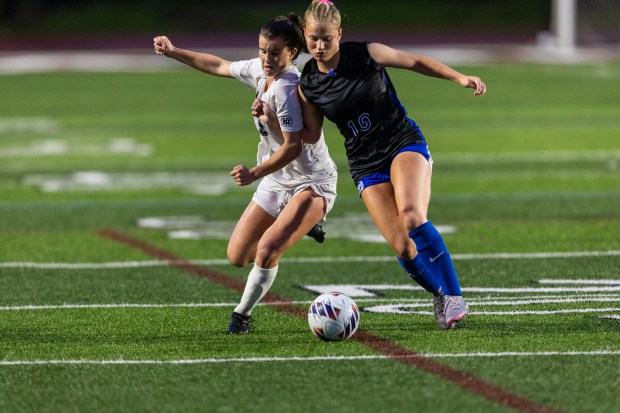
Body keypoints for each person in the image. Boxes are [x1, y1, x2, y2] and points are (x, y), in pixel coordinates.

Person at [298, 0, 486, 329]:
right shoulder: (308, 83)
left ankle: (454, 296)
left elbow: (414, 62)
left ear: (339, 34)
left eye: (327, 38)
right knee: (402, 245)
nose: (319, 45)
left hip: (402, 142)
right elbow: (310, 136)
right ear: (305, 35)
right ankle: (440, 295)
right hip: (365, 164)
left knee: (413, 215)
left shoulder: (366, 53)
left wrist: (459, 77)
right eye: (313, 38)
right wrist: (271, 115)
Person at [153, 13, 338, 334]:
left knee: (267, 251)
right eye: (263, 50)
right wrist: (173, 51)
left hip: (312, 181)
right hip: (278, 179)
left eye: (275, 52)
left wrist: (255, 170)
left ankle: (242, 315)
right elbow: (218, 65)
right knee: (238, 255)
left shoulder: (288, 88)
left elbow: (294, 147)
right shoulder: (261, 69)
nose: (266, 58)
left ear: (293, 52)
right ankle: (299, 223)